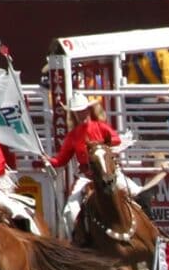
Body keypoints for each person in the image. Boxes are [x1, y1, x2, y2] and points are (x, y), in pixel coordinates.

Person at [45, 92, 143, 236]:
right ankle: (79, 239)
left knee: (137, 193)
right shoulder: (73, 136)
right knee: (70, 210)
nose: (80, 114)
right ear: (73, 114)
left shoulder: (101, 127)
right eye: (77, 112)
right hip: (87, 177)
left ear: (88, 110)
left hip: (109, 173)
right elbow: (61, 160)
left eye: (83, 110)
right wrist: (48, 160)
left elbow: (116, 139)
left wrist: (100, 147)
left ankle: (148, 228)